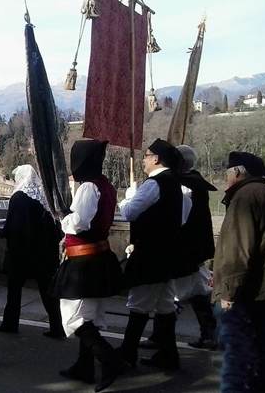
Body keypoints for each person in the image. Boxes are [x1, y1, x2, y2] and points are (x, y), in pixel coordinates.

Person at [48, 140, 127, 392]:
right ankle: (84, 366)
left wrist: (63, 220)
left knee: (73, 317)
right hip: (99, 256)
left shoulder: (88, 187)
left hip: (84, 261)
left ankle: (109, 359)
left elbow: (80, 222)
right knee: (89, 315)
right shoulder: (106, 185)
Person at [118, 139, 193, 370]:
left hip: (151, 255)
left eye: (147, 155)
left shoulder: (154, 184)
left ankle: (127, 354)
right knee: (164, 305)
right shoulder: (176, 184)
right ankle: (169, 355)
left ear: (156, 159)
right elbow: (181, 218)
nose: (143, 159)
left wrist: (127, 198)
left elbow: (130, 213)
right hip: (169, 254)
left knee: (138, 304)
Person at [140, 145, 218, 350]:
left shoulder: (183, 185)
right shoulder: (194, 182)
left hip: (183, 247)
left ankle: (160, 337)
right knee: (196, 291)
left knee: (171, 295)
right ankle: (208, 334)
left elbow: (178, 220)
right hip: (194, 247)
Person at [213, 151, 265, 393]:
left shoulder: (245, 198)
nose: (227, 178)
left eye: (227, 173)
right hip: (264, 287)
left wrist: (228, 290)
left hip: (248, 291)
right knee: (263, 350)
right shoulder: (264, 193)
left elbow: (239, 249)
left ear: (237, 172)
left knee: (236, 354)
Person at [0, 164, 64, 339]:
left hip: (22, 253)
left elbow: (15, 226)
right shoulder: (43, 197)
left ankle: (10, 322)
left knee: (14, 290)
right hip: (44, 253)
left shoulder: (18, 197)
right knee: (47, 291)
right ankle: (57, 325)